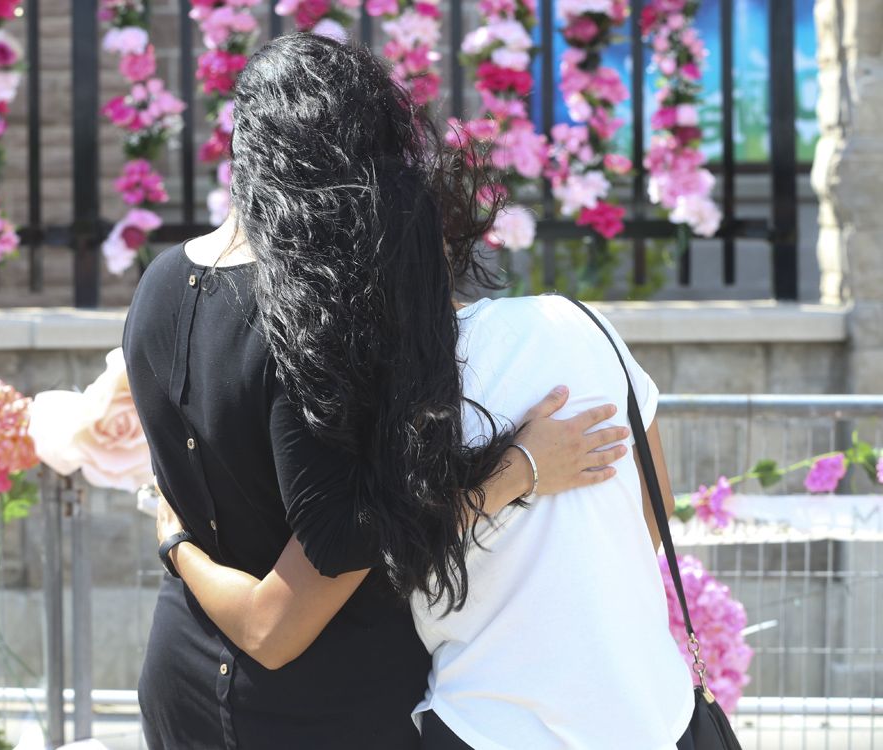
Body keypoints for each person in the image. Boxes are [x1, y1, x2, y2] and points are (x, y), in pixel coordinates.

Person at [124, 34, 629, 750]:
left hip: (179, 683)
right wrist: (525, 469)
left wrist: (178, 543)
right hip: (323, 711)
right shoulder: (300, 320)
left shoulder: (158, 285)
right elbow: (322, 575)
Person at [410, 294, 696, 750]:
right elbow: (656, 500)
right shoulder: (581, 320)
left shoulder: (401, 368)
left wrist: (521, 471)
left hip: (489, 718)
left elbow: (392, 545)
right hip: (647, 709)